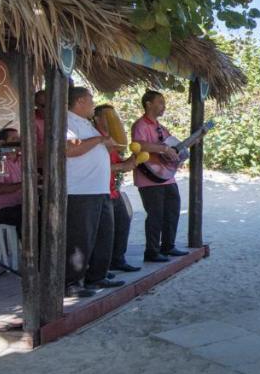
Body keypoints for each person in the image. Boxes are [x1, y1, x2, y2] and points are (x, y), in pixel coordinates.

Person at [65, 87, 124, 297]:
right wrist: (99, 140)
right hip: (80, 189)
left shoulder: (87, 124)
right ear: (80, 101)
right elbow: (69, 149)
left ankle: (96, 276)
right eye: (90, 99)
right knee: (79, 238)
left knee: (102, 234)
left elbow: (90, 149)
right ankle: (71, 283)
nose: (93, 103)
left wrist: (106, 143)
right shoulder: (67, 121)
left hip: (98, 188)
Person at [130, 90, 185, 263]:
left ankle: (168, 246)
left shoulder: (161, 127)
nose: (164, 106)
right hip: (149, 178)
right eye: (160, 102)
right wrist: (163, 149)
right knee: (156, 214)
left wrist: (177, 156)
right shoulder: (140, 125)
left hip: (167, 176)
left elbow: (172, 147)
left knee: (172, 210)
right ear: (148, 104)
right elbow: (139, 145)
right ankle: (151, 251)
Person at [94, 105, 140, 273]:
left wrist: (130, 161)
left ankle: (117, 260)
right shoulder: (95, 138)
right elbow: (99, 166)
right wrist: (122, 165)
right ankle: (100, 269)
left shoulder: (112, 139)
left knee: (123, 222)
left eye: (115, 116)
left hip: (113, 189)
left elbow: (117, 164)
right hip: (100, 190)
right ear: (98, 119)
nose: (114, 120)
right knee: (105, 232)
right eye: (108, 117)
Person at [0, 128, 24, 240]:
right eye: (14, 139)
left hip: (18, 206)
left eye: (18, 139)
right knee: (27, 215)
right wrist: (25, 185)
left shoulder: (21, 160)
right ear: (2, 143)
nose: (18, 141)